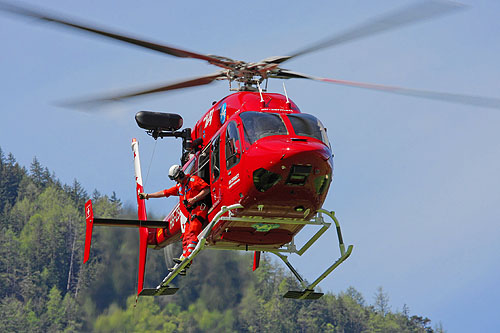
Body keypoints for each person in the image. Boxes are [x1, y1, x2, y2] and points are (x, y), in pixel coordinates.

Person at [139, 164, 210, 272]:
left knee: (193, 232)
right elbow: (164, 192)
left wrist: (194, 199)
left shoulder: (194, 180)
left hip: (199, 209)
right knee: (185, 237)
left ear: (181, 174)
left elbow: (206, 189)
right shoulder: (179, 187)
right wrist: (148, 196)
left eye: (177, 178)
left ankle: (187, 258)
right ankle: (185, 260)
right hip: (190, 214)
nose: (177, 180)